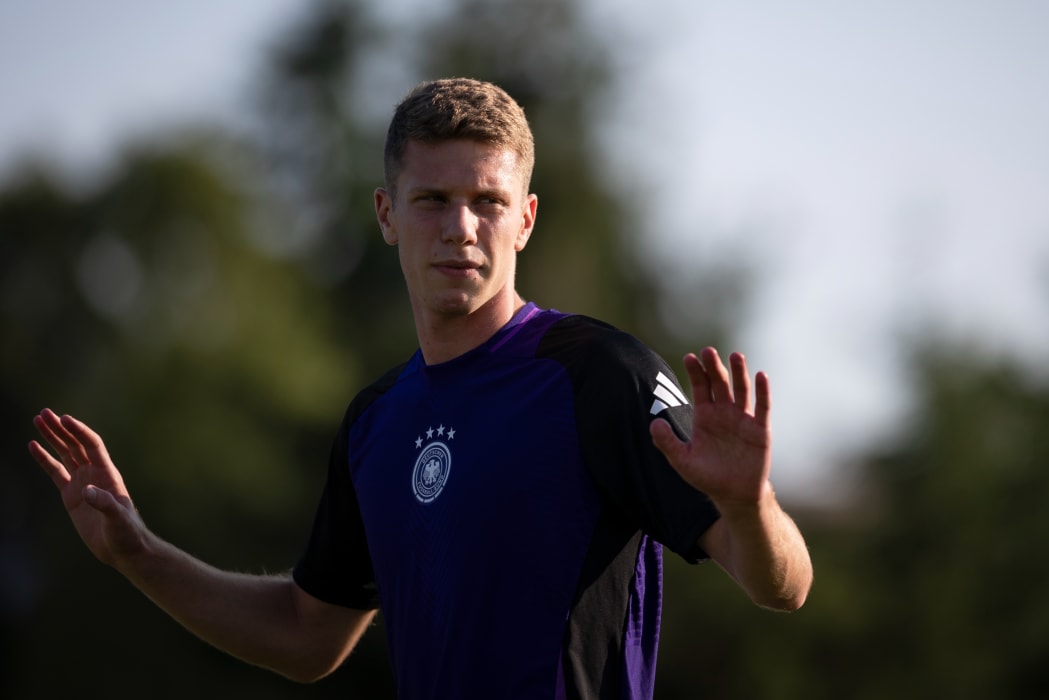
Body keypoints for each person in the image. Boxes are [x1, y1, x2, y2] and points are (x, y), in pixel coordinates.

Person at [28, 78, 813, 699]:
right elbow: (308, 636)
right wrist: (140, 555)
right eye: (433, 199)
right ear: (387, 214)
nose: (461, 227)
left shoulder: (600, 372)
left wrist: (751, 506)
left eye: (488, 203)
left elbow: (785, 586)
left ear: (527, 219)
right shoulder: (377, 420)